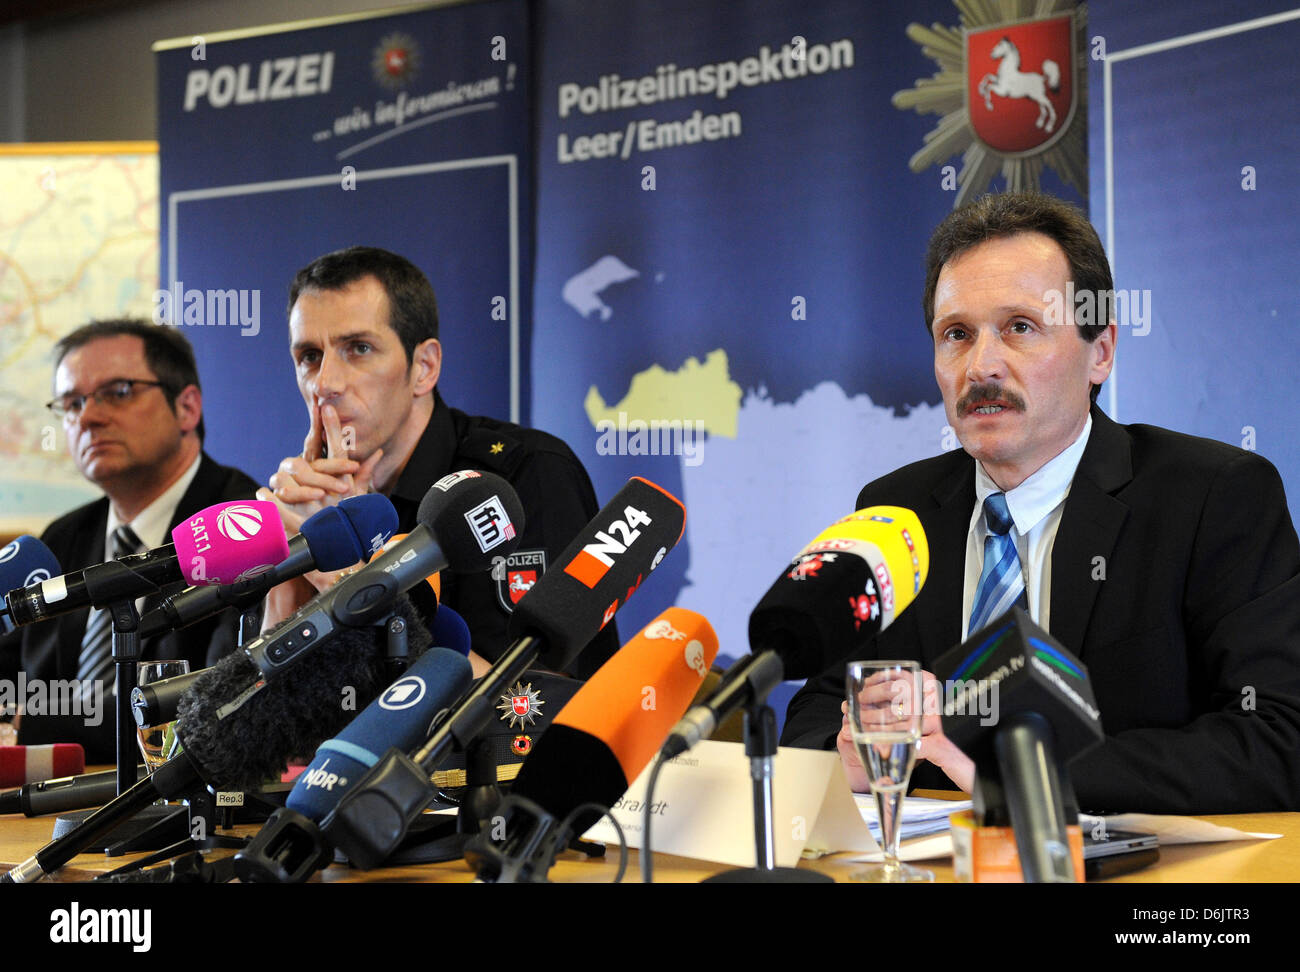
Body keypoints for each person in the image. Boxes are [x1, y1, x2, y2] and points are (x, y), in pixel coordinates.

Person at [781, 192, 1300, 813]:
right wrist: (845, 750)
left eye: (1020, 328)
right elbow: (820, 705)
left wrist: (1026, 777)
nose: (982, 366)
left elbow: (1279, 739)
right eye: (957, 334)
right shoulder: (896, 510)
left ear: (1100, 351)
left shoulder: (1212, 497)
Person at [259, 246, 618, 678]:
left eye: (358, 348)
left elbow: (528, 714)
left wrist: (352, 584)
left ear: (424, 367)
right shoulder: (303, 503)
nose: (326, 383)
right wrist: (288, 577)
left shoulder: (527, 476)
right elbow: (260, 729)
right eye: (310, 357)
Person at [0, 320, 257, 762]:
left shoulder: (239, 524)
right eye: (72, 402)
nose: (88, 417)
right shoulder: (61, 538)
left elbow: (212, 706)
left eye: (117, 392)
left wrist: (32, 724)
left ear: (187, 407)